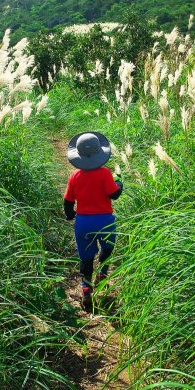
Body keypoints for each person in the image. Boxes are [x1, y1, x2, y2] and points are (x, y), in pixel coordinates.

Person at [64, 131, 123, 312]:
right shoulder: (105, 173)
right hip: (105, 222)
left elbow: (68, 202)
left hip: (83, 224)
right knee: (107, 248)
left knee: (86, 257)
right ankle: (103, 274)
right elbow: (114, 194)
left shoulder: (75, 176)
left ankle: (86, 289)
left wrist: (70, 216)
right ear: (100, 153)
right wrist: (119, 183)